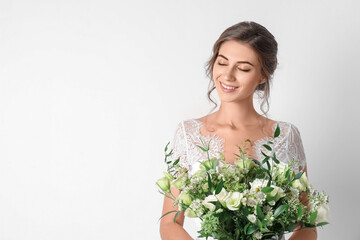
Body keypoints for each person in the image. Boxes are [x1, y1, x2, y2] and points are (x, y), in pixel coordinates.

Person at [159, 21, 317, 240]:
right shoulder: (188, 134)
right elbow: (169, 222)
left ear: (263, 76)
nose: (228, 75)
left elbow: (307, 224)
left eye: (243, 68)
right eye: (222, 63)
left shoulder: (286, 136)